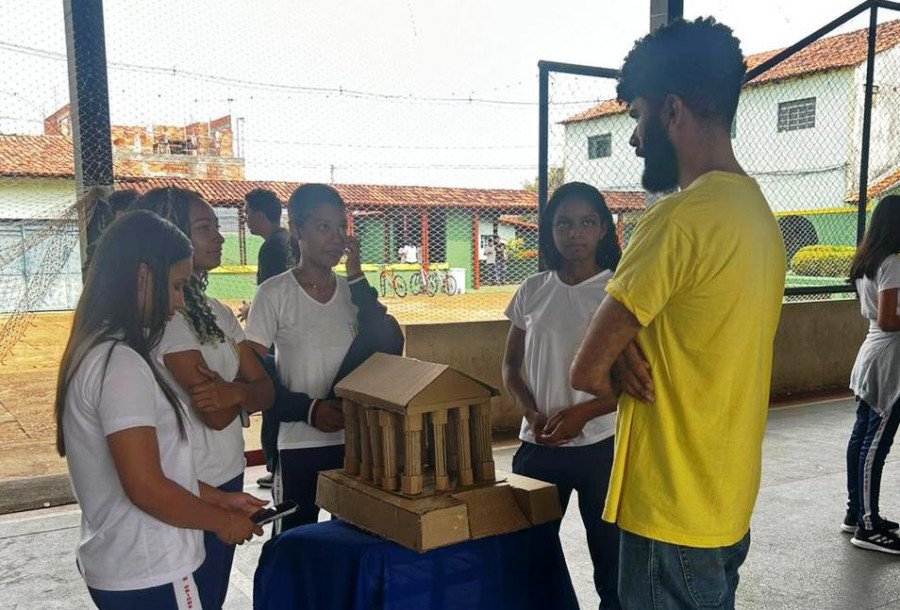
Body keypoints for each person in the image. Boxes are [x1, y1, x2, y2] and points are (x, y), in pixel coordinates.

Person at [569, 18, 786, 609]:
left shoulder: (675, 220)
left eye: (637, 116)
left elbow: (585, 371)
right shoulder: (758, 214)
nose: (635, 137)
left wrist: (613, 366)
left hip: (669, 510)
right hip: (725, 501)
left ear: (671, 112)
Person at [55, 210, 263, 610]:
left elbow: (153, 471)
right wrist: (221, 523)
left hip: (127, 564)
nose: (181, 301)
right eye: (177, 286)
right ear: (142, 277)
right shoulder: (120, 363)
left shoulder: (99, 350)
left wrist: (219, 500)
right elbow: (145, 486)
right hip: (150, 566)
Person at [135, 187, 274, 609]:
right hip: (191, 483)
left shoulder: (218, 311)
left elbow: (267, 390)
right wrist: (242, 395)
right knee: (194, 594)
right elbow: (213, 416)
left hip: (228, 474)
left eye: (216, 226)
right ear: (173, 236)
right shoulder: (170, 319)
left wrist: (232, 392)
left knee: (210, 591)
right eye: (203, 228)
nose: (220, 236)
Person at [245, 183, 403, 534]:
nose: (337, 238)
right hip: (299, 444)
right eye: (323, 227)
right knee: (293, 539)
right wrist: (308, 409)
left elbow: (386, 337)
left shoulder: (353, 293)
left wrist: (357, 274)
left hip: (354, 443)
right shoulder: (274, 294)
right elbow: (251, 366)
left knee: (350, 538)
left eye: (341, 227)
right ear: (298, 229)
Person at [502, 182, 622, 609]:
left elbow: (640, 383)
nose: (575, 234)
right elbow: (511, 367)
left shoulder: (618, 291)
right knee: (525, 562)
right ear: (550, 231)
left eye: (587, 222)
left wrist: (585, 413)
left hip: (602, 450)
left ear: (604, 229)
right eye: (564, 224)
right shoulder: (533, 290)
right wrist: (531, 414)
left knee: (613, 569)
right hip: (539, 448)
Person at [844, 194, 900, 553]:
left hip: (872, 355)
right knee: (875, 444)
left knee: (862, 437)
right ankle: (867, 526)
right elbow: (890, 319)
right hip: (888, 363)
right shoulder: (894, 260)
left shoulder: (872, 258)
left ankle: (857, 512)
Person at [241, 188, 295, 490]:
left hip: (274, 337)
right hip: (287, 333)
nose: (246, 219)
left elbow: (271, 291)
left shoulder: (270, 248)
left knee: (272, 397)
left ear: (260, 216)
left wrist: (255, 310)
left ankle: (275, 466)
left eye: (247, 213)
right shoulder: (285, 241)